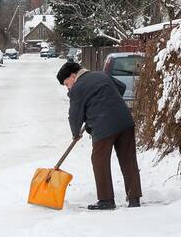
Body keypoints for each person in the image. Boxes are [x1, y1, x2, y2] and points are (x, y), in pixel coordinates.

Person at [56, 60, 142, 210]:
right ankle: (134, 198)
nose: (67, 87)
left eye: (66, 83)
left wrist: (75, 134)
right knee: (128, 159)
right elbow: (121, 87)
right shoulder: (101, 75)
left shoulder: (77, 88)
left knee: (99, 160)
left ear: (72, 75)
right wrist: (107, 101)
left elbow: (75, 115)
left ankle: (106, 200)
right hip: (124, 121)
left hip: (103, 126)